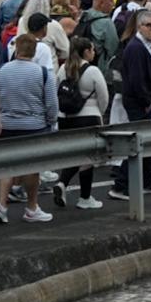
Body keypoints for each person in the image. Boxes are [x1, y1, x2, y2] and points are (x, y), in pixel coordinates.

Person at [0, 33, 59, 224]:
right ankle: (31, 207)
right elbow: (52, 104)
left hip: (7, 123)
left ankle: (2, 206)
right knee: (32, 168)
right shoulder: (43, 73)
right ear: (34, 51)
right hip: (34, 125)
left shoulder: (1, 71)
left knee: (7, 165)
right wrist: (50, 121)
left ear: (16, 49)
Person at [108, 10, 151, 201]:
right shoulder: (136, 47)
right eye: (149, 25)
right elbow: (136, 79)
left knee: (145, 142)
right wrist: (146, 101)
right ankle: (121, 185)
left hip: (145, 100)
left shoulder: (149, 45)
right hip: (139, 103)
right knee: (137, 144)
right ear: (139, 26)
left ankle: (147, 180)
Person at [54, 36, 108, 210]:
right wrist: (100, 112)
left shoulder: (63, 68)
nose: (94, 52)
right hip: (88, 116)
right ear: (86, 52)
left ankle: (64, 184)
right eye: (92, 49)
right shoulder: (92, 71)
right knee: (88, 157)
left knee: (74, 154)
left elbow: (57, 90)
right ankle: (84, 196)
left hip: (65, 117)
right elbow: (104, 97)